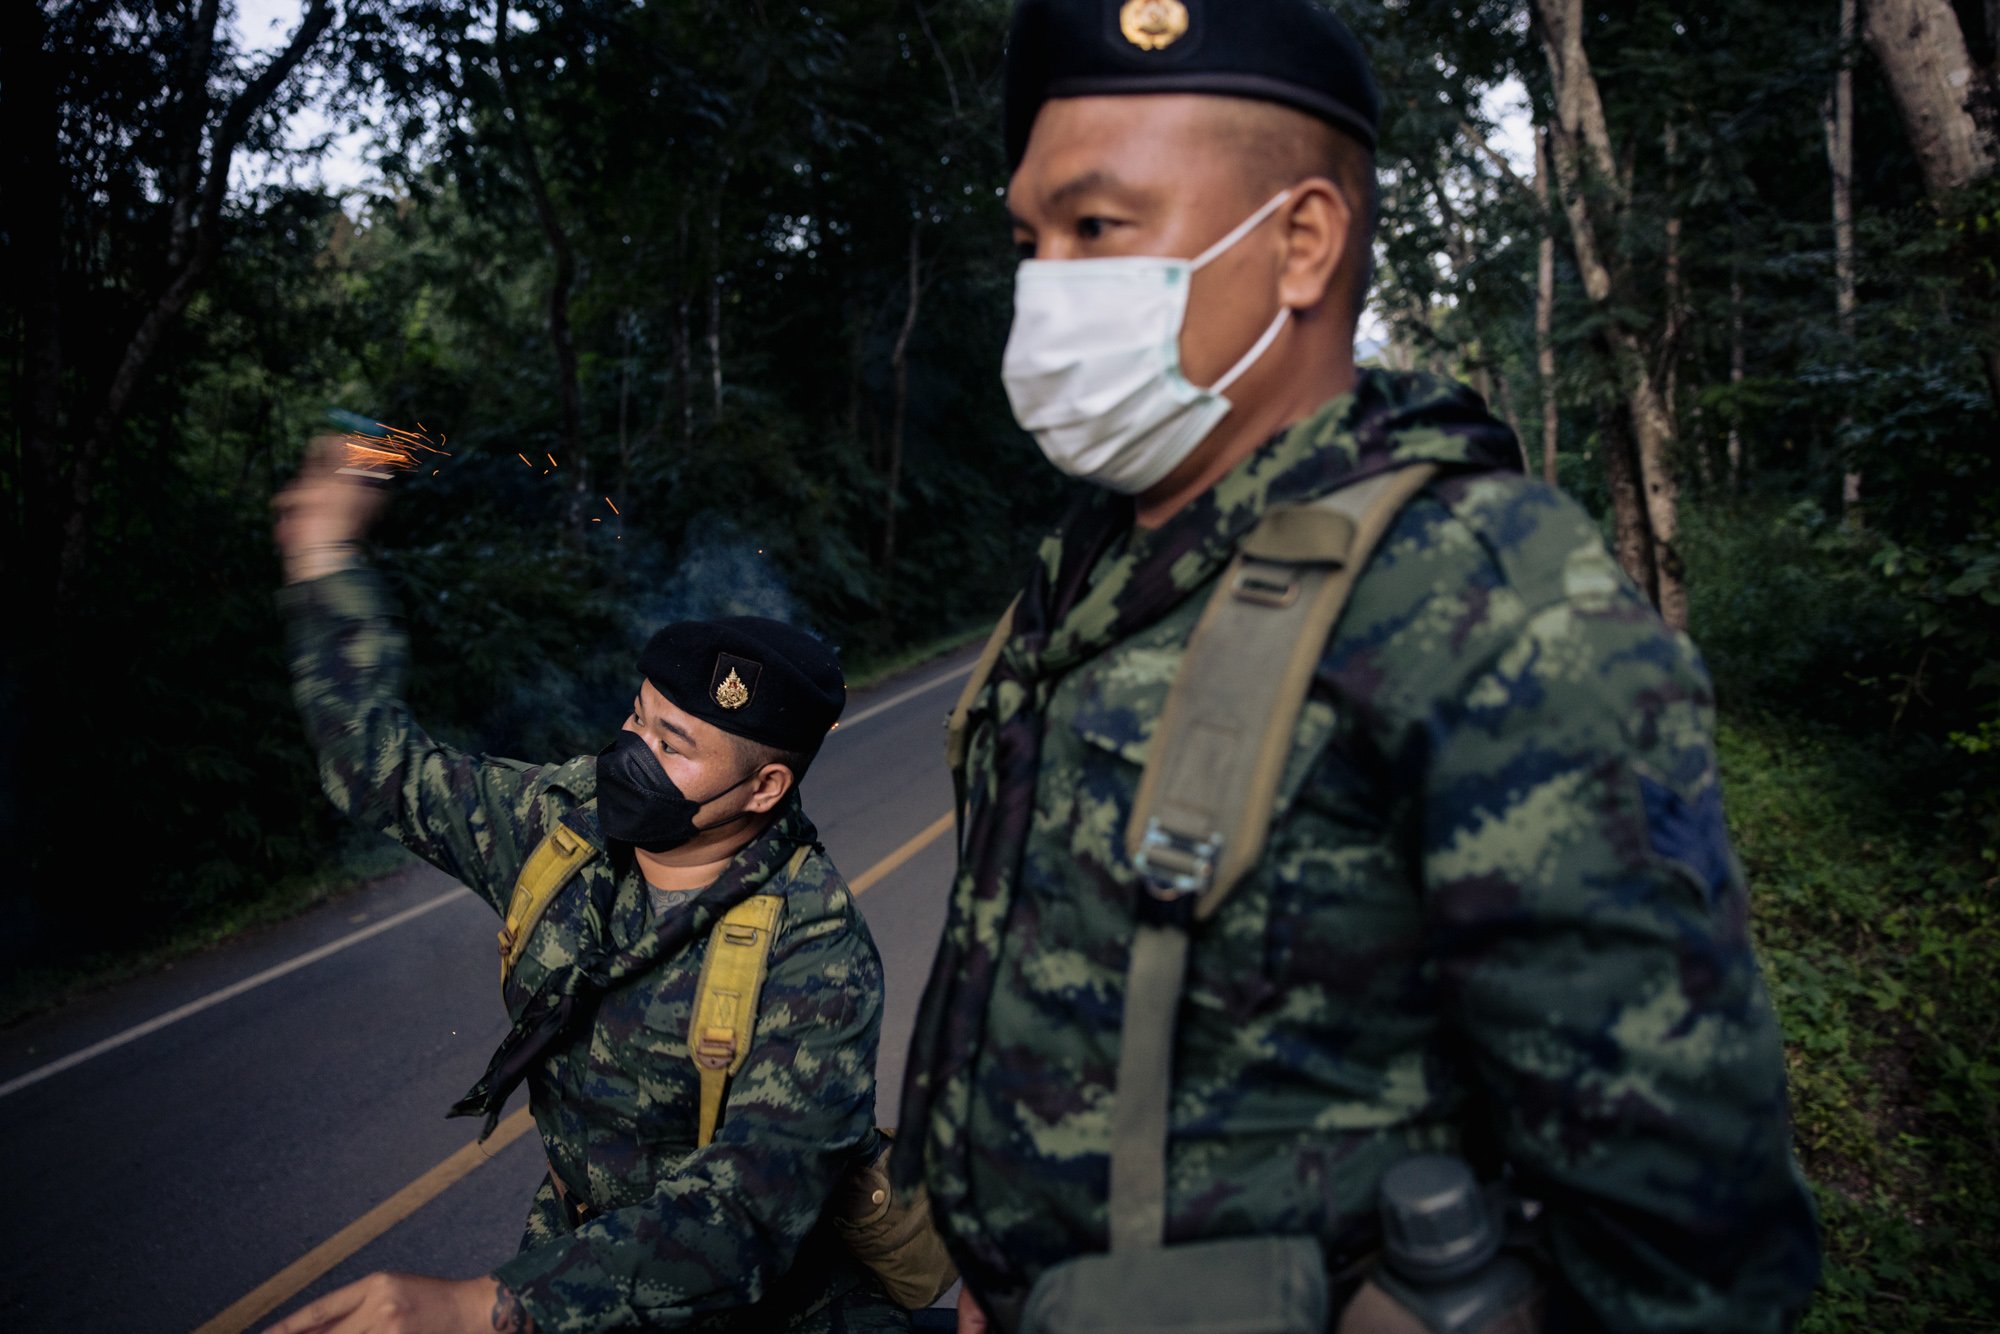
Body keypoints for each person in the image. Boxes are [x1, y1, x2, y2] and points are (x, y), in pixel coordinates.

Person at [894, 1, 1822, 1330]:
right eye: (1029, 240)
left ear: (1302, 243)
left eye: (1097, 230)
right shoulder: (1097, 567)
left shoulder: (1484, 594)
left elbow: (1694, 1249)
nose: (1045, 284)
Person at [266, 444, 909, 1333]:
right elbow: (379, 768)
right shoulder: (561, 828)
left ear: (764, 790)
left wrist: (484, 1307)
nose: (633, 755)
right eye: (638, 719)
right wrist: (324, 562)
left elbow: (744, 1221)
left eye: (675, 746)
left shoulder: (817, 952)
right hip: (578, 1272)